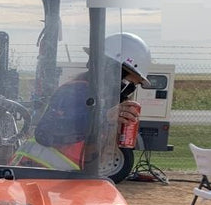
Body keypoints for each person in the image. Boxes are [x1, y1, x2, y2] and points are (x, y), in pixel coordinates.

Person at [12, 32, 151, 170]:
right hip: (33, 174)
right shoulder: (75, 92)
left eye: (133, 87)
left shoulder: (94, 100)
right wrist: (105, 117)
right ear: (111, 72)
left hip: (56, 179)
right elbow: (47, 133)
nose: (127, 91)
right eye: (128, 83)